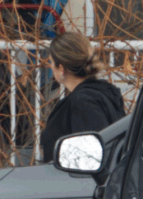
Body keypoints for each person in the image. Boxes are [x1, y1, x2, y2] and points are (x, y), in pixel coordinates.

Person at [40, 31, 126, 162]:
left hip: (72, 181)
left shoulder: (83, 102)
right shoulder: (101, 94)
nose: (51, 67)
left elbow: (92, 159)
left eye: (51, 62)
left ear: (61, 69)